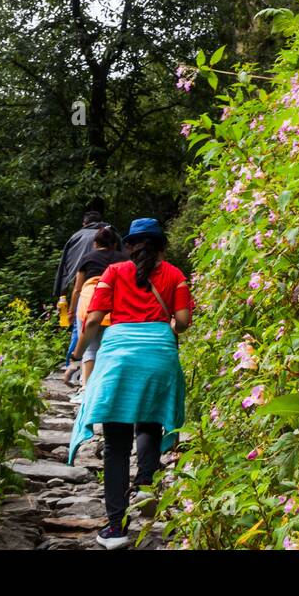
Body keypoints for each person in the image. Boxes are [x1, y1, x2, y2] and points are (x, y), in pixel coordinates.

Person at [68, 217, 193, 550]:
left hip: (119, 356)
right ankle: (146, 483)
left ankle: (116, 528)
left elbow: (94, 319)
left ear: (130, 245)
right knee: (150, 424)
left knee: (116, 445)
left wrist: (79, 354)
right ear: (161, 245)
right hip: (158, 357)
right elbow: (182, 322)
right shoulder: (175, 275)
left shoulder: (113, 273)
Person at [69, 225, 126, 399]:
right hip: (116, 301)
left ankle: (86, 387)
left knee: (90, 347)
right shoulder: (124, 258)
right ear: (115, 244)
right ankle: (108, 387)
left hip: (89, 301)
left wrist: (71, 310)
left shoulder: (88, 258)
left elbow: (77, 289)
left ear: (95, 243)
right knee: (112, 347)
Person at [54, 208, 110, 380]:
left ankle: (72, 370)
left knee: (80, 331)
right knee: (103, 336)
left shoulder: (77, 237)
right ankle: (96, 375)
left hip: (85, 290)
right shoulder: (109, 234)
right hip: (110, 290)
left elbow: (65, 269)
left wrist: (62, 295)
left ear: (84, 223)